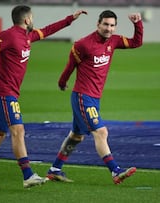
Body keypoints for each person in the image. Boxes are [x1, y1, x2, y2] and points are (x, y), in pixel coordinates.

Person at [0, 5, 86, 189]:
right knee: (18, 130)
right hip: (3, 92)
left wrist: (70, 19)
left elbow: (47, 30)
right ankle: (28, 175)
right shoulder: (8, 36)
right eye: (32, 17)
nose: (33, 20)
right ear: (27, 20)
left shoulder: (27, 36)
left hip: (9, 92)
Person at [45, 10, 143, 184]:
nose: (109, 28)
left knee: (76, 136)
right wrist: (62, 82)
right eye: (105, 24)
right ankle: (115, 171)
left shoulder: (114, 41)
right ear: (98, 24)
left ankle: (54, 169)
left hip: (94, 98)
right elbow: (70, 66)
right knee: (101, 132)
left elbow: (136, 43)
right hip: (83, 96)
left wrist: (137, 24)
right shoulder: (83, 45)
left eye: (112, 25)